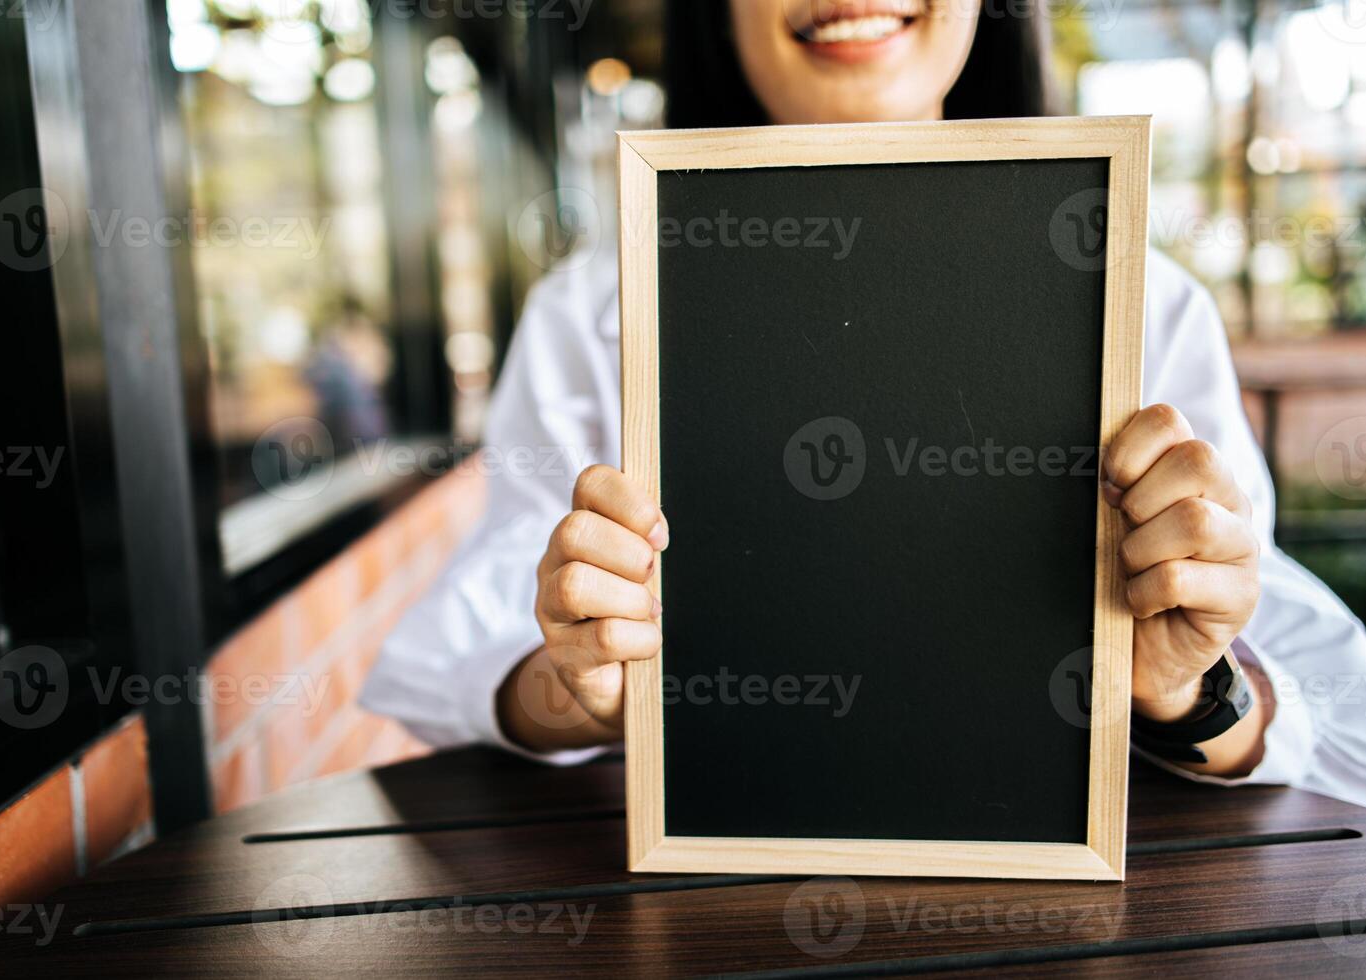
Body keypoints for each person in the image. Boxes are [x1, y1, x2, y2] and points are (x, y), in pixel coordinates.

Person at [362, 0, 1366, 805]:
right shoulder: (593, 308)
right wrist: (580, 689)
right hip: (697, 896)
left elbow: (1326, 711)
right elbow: (462, 655)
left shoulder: (1139, 295)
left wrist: (1183, 688)